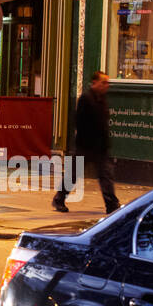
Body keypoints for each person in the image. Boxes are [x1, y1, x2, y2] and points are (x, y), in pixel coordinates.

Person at [54, 71, 120, 215]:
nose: (106, 86)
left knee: (106, 175)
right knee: (74, 174)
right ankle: (59, 199)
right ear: (94, 83)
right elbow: (79, 122)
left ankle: (112, 204)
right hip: (86, 145)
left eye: (107, 83)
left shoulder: (101, 99)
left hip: (100, 146)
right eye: (103, 82)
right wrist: (87, 141)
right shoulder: (86, 98)